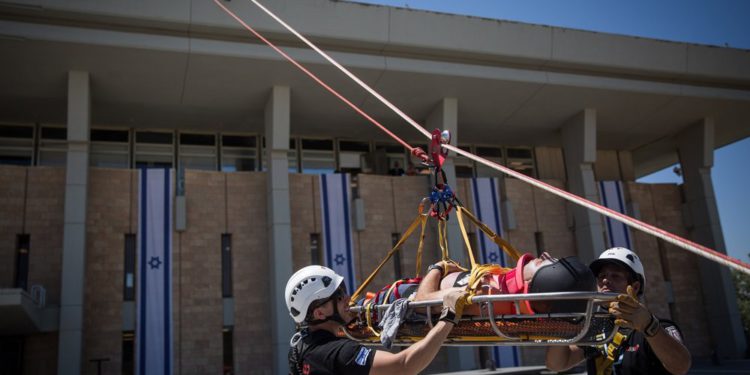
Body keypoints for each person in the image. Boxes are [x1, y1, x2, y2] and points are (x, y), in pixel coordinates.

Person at [285, 265, 468, 375]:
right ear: (319, 314)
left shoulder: (302, 346)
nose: (348, 298)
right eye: (339, 296)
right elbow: (404, 366)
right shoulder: (340, 353)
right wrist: (448, 318)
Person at [545, 247, 692, 375]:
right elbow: (557, 364)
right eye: (601, 276)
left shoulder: (659, 328)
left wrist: (649, 326)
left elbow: (681, 367)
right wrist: (563, 314)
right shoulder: (597, 330)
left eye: (615, 276)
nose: (605, 281)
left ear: (634, 287)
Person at [364, 252, 596, 316]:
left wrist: (438, 267)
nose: (544, 255)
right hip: (408, 290)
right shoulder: (501, 290)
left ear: (536, 283)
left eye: (548, 262)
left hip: (401, 297)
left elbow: (422, 302)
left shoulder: (487, 297)